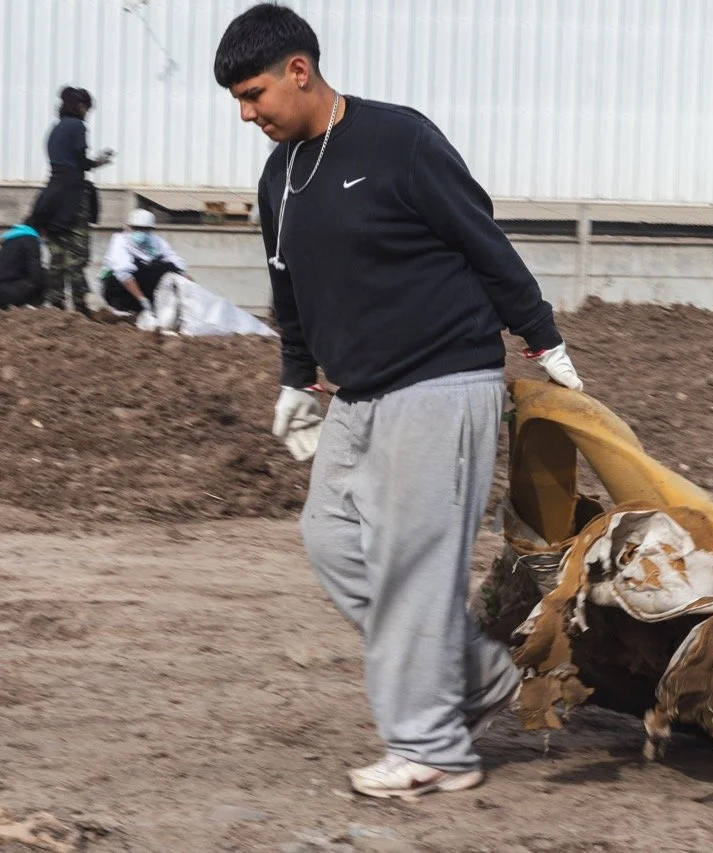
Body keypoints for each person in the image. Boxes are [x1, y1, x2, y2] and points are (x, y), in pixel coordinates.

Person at [214, 4, 585, 799]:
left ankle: (433, 748)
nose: (247, 115)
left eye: (253, 95)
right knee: (329, 539)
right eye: (239, 101)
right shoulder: (280, 177)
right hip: (356, 396)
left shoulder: (398, 140)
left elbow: (482, 239)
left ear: (298, 72)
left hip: (441, 381)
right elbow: (288, 288)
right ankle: (478, 676)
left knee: (412, 568)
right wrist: (295, 376)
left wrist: (541, 336)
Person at [28, 87, 113, 315]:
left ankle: (54, 304)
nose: (87, 113)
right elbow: (79, 161)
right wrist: (97, 162)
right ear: (81, 106)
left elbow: (68, 161)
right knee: (78, 254)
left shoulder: (55, 128)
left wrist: (95, 163)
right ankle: (79, 304)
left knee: (57, 253)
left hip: (53, 192)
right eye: (87, 108)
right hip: (73, 195)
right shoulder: (77, 126)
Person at [99, 209, 188, 318]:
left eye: (144, 229)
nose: (140, 232)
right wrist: (142, 300)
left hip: (145, 287)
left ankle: (154, 308)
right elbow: (124, 274)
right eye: (136, 228)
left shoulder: (157, 242)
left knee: (168, 267)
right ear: (129, 227)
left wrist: (189, 283)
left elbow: (175, 263)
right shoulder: (120, 241)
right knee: (118, 276)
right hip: (119, 289)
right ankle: (123, 309)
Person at [0, 222, 45, 309]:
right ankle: (32, 305)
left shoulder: (10, 240)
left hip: (3, 290)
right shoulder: (31, 240)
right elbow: (35, 269)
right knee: (43, 274)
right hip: (11, 293)